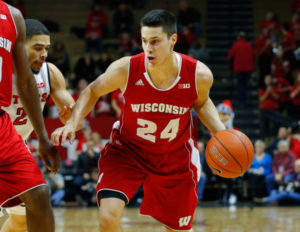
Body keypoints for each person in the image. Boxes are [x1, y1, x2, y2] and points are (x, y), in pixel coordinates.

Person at [52, 9, 225, 232]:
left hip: (174, 157)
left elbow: (201, 102)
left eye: (155, 41)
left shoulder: (198, 75)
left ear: (173, 40)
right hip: (128, 151)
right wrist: (72, 123)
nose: (148, 48)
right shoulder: (127, 68)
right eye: (144, 41)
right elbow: (93, 90)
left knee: (177, 229)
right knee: (108, 216)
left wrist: (221, 134)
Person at [1, 18, 75, 232]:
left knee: (21, 219)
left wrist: (71, 120)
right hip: (4, 140)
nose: (44, 54)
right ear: (18, 45)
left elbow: (72, 111)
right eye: (37, 48)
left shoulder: (49, 72)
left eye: (46, 48)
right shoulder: (3, 68)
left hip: (15, 149)